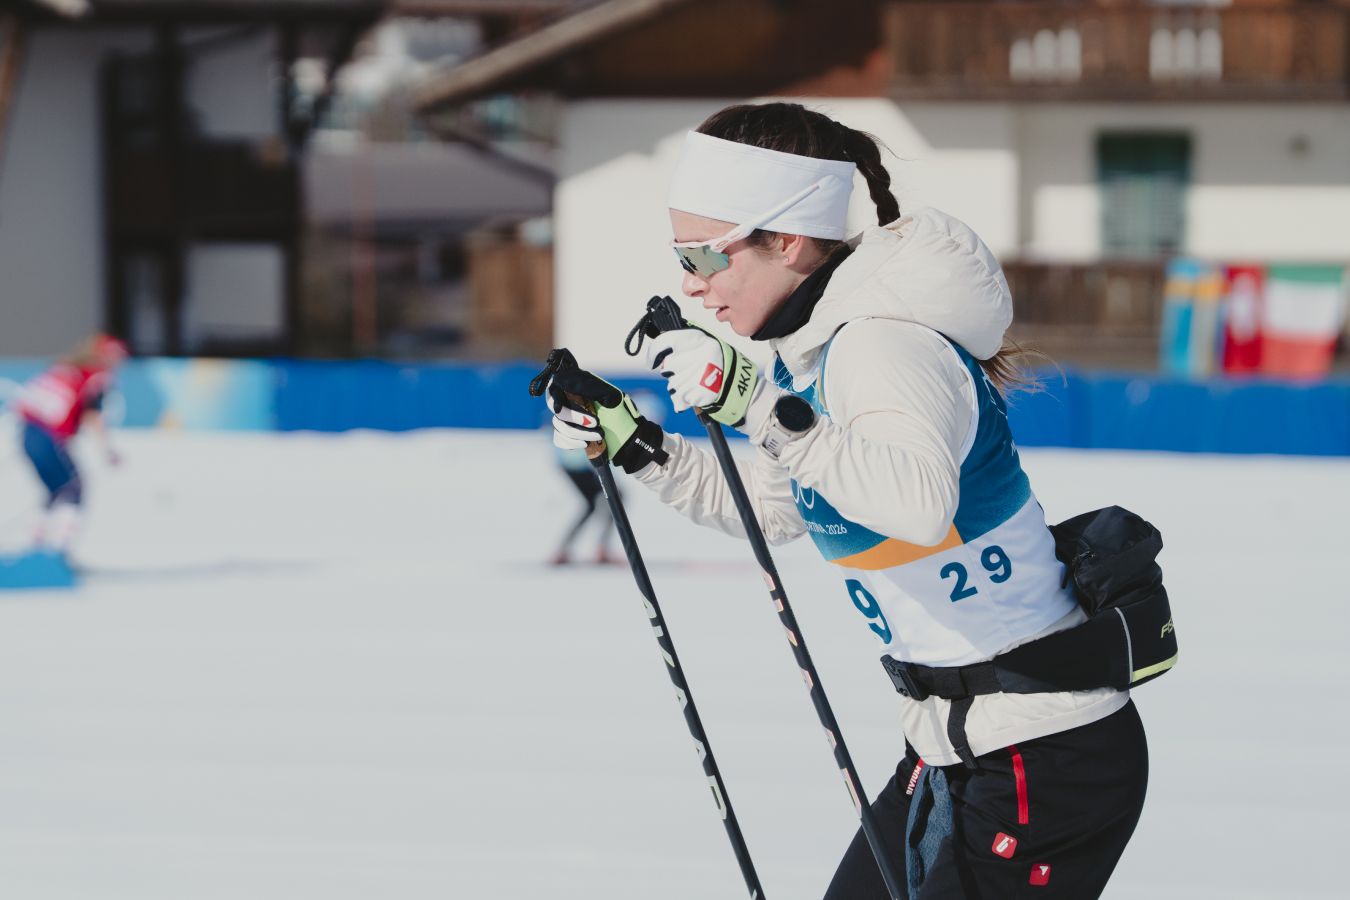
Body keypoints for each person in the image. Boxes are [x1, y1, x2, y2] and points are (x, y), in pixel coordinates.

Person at [543, 103, 1149, 898]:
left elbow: (917, 502)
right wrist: (640, 446)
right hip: (953, 745)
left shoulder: (882, 345)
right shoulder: (817, 353)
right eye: (678, 255)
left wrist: (757, 406)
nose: (689, 285)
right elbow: (776, 506)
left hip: (1043, 751)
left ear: (787, 241)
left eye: (702, 255)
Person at [15, 333, 127, 553]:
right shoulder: (96, 376)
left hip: (29, 433)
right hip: (48, 436)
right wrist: (107, 450)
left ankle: (34, 549)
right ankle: (57, 553)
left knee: (55, 491)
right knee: (73, 488)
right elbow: (93, 415)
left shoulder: (65, 367)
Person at [549, 443, 620, 565]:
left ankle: (564, 550)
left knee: (601, 502)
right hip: (579, 462)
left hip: (575, 462)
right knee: (611, 500)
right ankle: (600, 549)